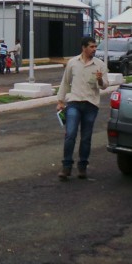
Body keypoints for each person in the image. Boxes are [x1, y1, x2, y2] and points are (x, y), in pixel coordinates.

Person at [56, 35, 107, 180]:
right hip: (74, 103)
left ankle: (82, 166)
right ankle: (66, 166)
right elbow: (65, 83)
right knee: (70, 134)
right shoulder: (72, 63)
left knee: (86, 137)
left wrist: (100, 79)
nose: (94, 49)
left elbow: (105, 86)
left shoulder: (100, 65)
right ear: (83, 48)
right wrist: (60, 101)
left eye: (95, 46)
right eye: (91, 47)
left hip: (91, 105)